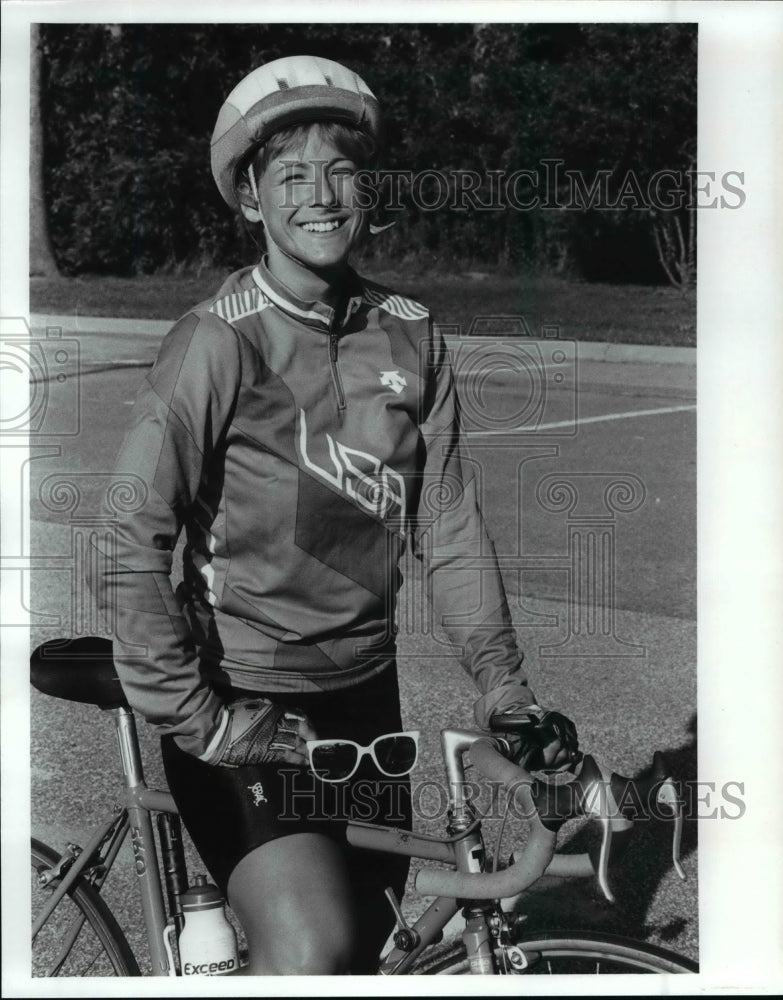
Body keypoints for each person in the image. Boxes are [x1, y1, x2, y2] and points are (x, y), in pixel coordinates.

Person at [95, 54, 578, 975]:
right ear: (250, 201)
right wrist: (198, 718)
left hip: (362, 696)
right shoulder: (216, 340)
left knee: (372, 954)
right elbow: (128, 533)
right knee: (315, 952)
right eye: (289, 176)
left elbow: (446, 526)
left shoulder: (411, 331)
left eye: (341, 172)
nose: (320, 196)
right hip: (240, 698)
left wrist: (504, 689)